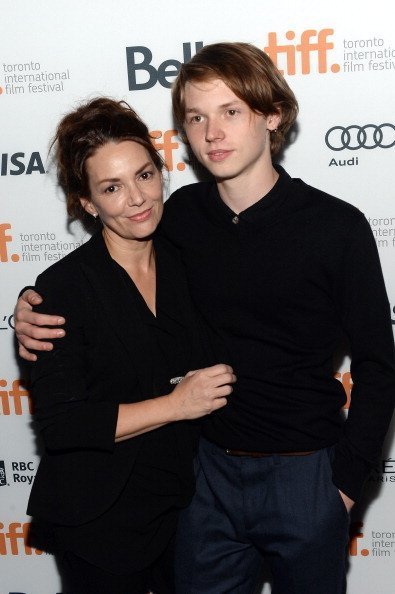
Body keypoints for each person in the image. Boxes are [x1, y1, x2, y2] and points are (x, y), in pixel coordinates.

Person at [15, 43, 395, 594]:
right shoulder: (181, 218)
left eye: (231, 112)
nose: (212, 132)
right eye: (197, 117)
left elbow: (379, 366)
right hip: (204, 478)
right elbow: (103, 265)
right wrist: (30, 304)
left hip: (305, 473)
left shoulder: (337, 228)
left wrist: (344, 483)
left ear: (273, 115)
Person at [16, 97, 235, 594]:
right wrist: (177, 406)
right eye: (112, 187)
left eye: (144, 175)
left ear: (161, 173)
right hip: (101, 522)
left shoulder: (186, 260)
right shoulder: (64, 289)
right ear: (88, 203)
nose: (136, 199)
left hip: (184, 510)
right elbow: (64, 424)